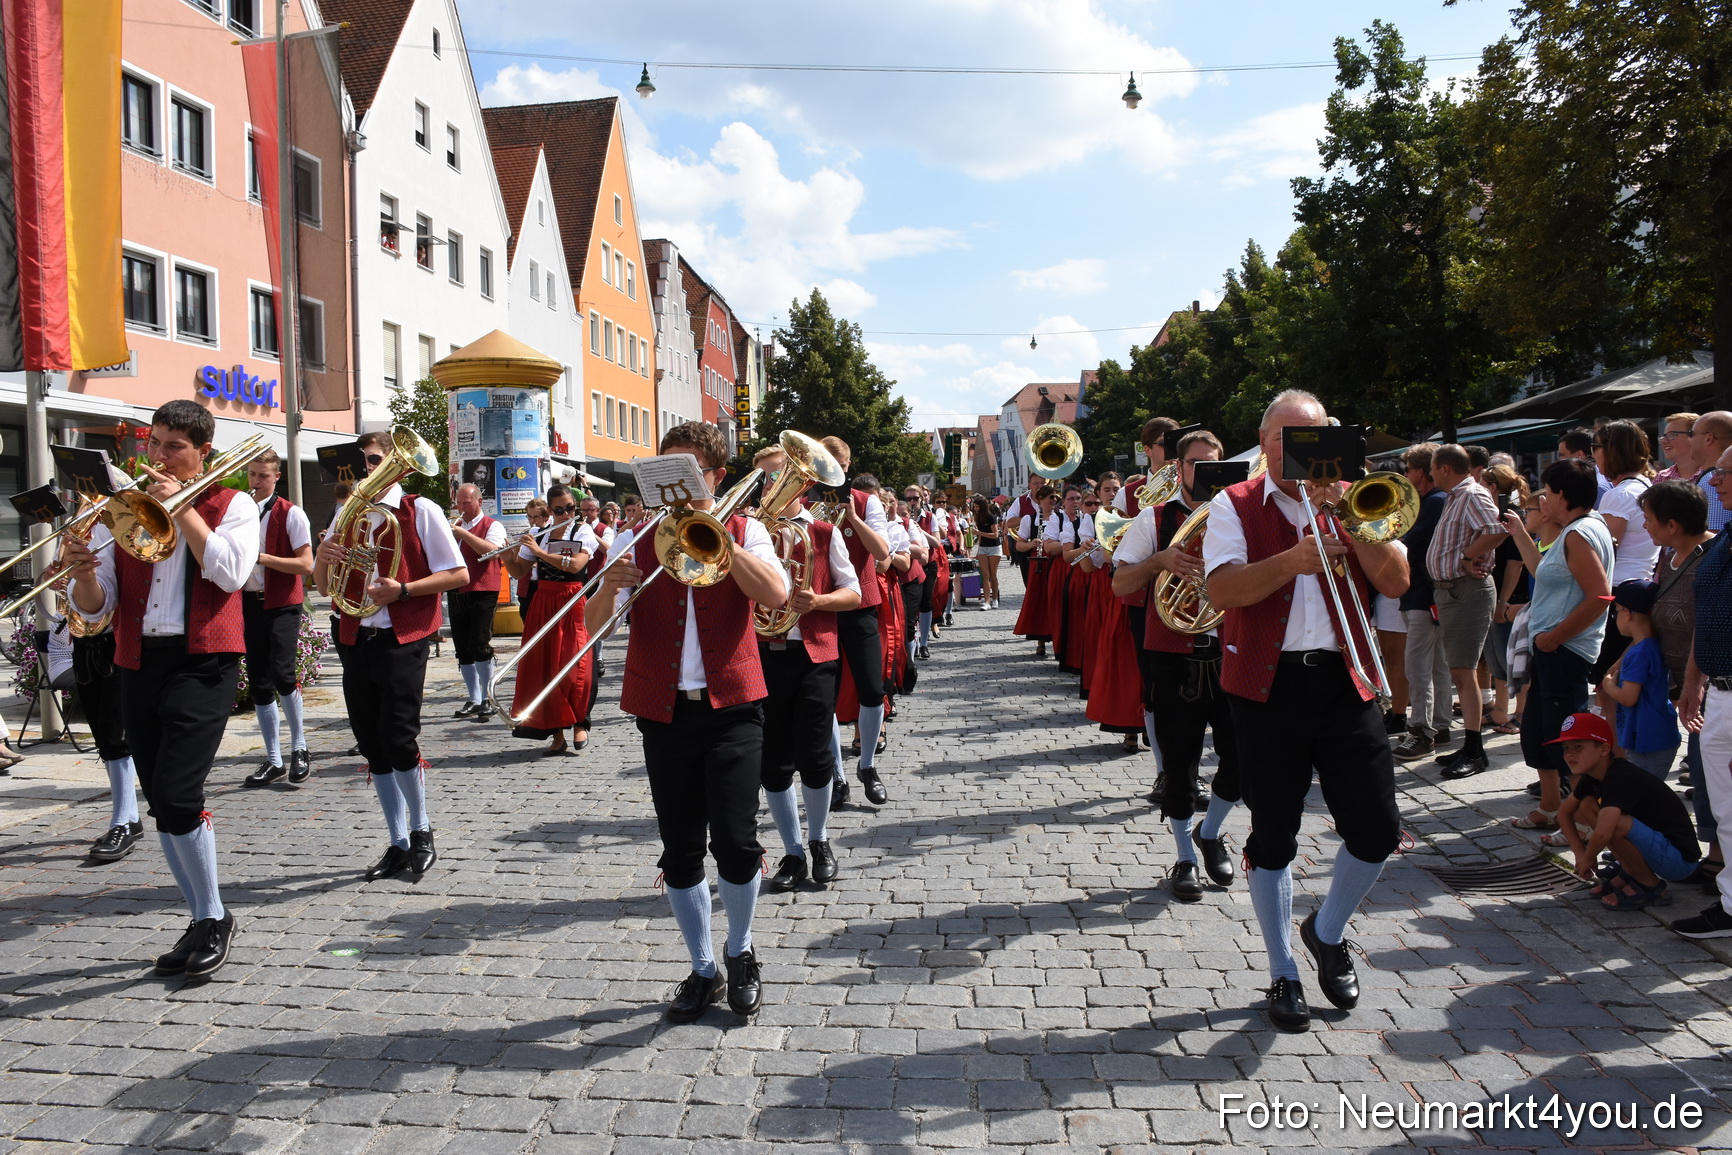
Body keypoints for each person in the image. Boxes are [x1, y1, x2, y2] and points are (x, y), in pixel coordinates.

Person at [1202, 390, 1410, 1033]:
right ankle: (1283, 969)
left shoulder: (1352, 496)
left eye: (1315, 439)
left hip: (1346, 683)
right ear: (1265, 443)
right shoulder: (1232, 505)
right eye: (1290, 438)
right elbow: (1221, 589)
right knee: (1274, 837)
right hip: (1267, 689)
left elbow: (1397, 580)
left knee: (1376, 830)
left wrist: (1343, 515)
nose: (1303, 452)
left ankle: (1327, 930)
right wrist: (1292, 561)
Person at [587, 420, 789, 1022]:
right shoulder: (639, 535)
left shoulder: (748, 528)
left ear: (715, 477)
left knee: (735, 841)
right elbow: (597, 624)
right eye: (663, 469)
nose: (671, 483)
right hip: (665, 710)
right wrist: (612, 584)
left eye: (685, 471)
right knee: (679, 852)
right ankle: (702, 967)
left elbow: (776, 595)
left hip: (734, 707)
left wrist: (721, 539)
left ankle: (741, 951)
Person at [61, 399, 260, 979]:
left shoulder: (234, 503)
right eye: (155, 443)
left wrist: (185, 505)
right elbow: (97, 606)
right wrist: (79, 570)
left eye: (175, 446)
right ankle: (203, 917)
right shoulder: (121, 512)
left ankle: (214, 916)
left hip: (204, 662)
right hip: (139, 660)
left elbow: (229, 573)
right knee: (159, 798)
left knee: (176, 791)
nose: (160, 456)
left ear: (203, 451)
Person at [315, 430, 468, 881]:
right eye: (367, 460)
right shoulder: (348, 510)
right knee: (371, 744)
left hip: (403, 637)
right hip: (354, 635)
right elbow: (325, 588)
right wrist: (323, 557)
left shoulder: (421, 509)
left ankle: (421, 831)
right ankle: (397, 840)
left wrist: (403, 589)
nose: (372, 467)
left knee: (398, 737)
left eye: (380, 458)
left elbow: (457, 573)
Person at [1114, 429, 1244, 899]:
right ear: (1179, 469)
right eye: (1197, 464)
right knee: (1180, 766)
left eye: (1216, 464)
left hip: (1233, 653)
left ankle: (1209, 832)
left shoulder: (1242, 514)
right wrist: (1160, 561)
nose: (1207, 473)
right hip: (1173, 656)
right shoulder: (1154, 518)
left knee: (1242, 762)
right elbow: (1120, 583)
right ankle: (1185, 858)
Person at [756, 446, 861, 893]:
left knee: (816, 757)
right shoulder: (747, 531)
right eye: (765, 479)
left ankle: (819, 841)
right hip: (761, 656)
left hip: (813, 656)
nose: (770, 487)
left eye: (779, 478)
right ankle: (793, 851)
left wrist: (818, 601)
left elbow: (853, 593)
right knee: (772, 764)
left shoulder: (821, 532)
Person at [1500, 458, 1614, 832]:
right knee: (1539, 732)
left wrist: (1554, 637)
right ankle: (1552, 807)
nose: (1543, 500)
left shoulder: (1580, 533)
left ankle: (1583, 822)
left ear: (1562, 495)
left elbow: (1600, 596)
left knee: (1569, 741)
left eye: (1547, 493)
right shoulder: (1576, 530)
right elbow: (1544, 572)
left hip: (1565, 652)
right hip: (1553, 651)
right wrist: (1518, 532)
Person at [1641, 480, 1718, 877]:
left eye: (1649, 520)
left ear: (1672, 524)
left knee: (1711, 774)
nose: (1645, 527)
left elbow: (1705, 626)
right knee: (1703, 771)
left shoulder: (1712, 555)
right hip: (1675, 682)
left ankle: (1719, 857)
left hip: (1706, 682)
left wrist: (1693, 682)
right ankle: (1714, 854)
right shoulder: (1669, 554)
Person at [1553, 712, 1699, 911]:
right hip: (1657, 849)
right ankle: (1630, 872)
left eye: (1578, 747)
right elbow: (1563, 813)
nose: (1569, 754)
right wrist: (1579, 851)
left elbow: (1604, 832)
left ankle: (1650, 885)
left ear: (1604, 749)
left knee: (1616, 822)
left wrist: (1588, 858)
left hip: (1679, 861)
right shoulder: (1592, 774)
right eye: (1566, 748)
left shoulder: (1620, 776)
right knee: (1587, 805)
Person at [1676, 443, 1732, 937]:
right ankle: (1731, 905)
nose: (1713, 481)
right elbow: (1707, 615)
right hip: (1719, 689)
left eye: (1725, 473)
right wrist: (1695, 680)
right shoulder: (1726, 537)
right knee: (1724, 804)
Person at [1426, 444, 1507, 779]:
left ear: (1445, 468)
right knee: (1461, 671)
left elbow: (1497, 529)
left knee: (1463, 671)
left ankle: (1474, 751)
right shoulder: (1458, 495)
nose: (1431, 474)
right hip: (1454, 592)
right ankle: (1470, 744)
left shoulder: (1471, 494)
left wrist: (1467, 556)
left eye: (1433, 468)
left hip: (1465, 591)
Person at [819, 441, 892, 810]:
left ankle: (867, 766)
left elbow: (882, 553)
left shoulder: (867, 501)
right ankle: (837, 774)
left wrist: (853, 518)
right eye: (830, 463)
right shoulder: (804, 499)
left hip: (860, 604)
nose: (838, 470)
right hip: (820, 608)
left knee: (871, 687)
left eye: (843, 464)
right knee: (825, 697)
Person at [240, 450, 315, 788]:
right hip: (248, 602)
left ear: (276, 477)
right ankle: (273, 759)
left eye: (262, 476)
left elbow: (306, 565)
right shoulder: (240, 512)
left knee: (283, 673)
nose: (256, 482)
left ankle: (300, 747)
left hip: (282, 602)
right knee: (258, 680)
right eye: (252, 475)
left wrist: (264, 559)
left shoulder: (291, 513)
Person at [503, 485, 596, 755]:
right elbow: (520, 570)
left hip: (571, 599)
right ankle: (557, 734)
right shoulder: (538, 534)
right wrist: (507, 555)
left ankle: (580, 721)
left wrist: (539, 552)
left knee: (575, 663)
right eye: (560, 510)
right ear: (550, 510)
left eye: (570, 508)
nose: (567, 513)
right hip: (543, 601)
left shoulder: (582, 530)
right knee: (545, 665)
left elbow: (577, 565)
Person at [44, 613, 136, 860]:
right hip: (84, 646)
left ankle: (121, 826)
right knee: (103, 739)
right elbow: (54, 613)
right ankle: (132, 818)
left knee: (116, 737)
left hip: (118, 641)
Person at [1591, 420, 1659, 705]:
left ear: (1611, 451)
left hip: (1617, 595)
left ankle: (1614, 750)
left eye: (1595, 448)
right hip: (1639, 588)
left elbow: (1604, 553)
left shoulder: (1618, 495)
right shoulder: (1645, 486)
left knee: (1607, 690)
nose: (1593, 455)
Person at [1393, 445, 1453, 760]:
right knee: (1436, 665)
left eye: (1408, 470)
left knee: (1417, 666)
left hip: (1422, 595)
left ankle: (1421, 731)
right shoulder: (1432, 501)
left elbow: (1413, 545)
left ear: (1420, 471)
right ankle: (1439, 726)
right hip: (1423, 594)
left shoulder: (1434, 503)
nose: (1405, 475)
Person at [1600, 579, 1679, 780]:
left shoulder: (1639, 654)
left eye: (1615, 611)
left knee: (1642, 797)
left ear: (1628, 614)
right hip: (1653, 737)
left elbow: (1628, 697)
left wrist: (1608, 685)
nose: (1614, 617)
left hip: (1647, 741)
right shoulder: (1650, 646)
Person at [446, 482, 509, 719]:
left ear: (479, 502)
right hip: (456, 589)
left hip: (483, 590)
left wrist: (462, 533)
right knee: (462, 647)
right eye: (459, 503)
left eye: (466, 502)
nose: (462, 507)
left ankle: (487, 697)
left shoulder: (493, 525)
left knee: (479, 643)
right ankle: (473, 698)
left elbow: (489, 551)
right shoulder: (456, 526)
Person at [1485, 465, 1532, 734]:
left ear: (1492, 487)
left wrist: (1503, 602)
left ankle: (1521, 714)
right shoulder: (1496, 514)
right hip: (1499, 596)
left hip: (1511, 597)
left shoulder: (1512, 516)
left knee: (1515, 659)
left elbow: (1516, 564)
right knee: (1497, 659)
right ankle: (1500, 711)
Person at [1113, 417, 1181, 515]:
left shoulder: (1191, 485)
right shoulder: (1125, 494)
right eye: (1164, 443)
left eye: (1176, 442)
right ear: (1147, 450)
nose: (1172, 448)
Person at [1689, 412, 1732, 532]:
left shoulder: (1713, 482)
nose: (1688, 439)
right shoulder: (1710, 477)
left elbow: (1713, 538)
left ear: (1709, 438)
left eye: (1690, 434)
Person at [1557, 428, 1611, 502]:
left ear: (1580, 455)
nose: (1559, 460)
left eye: (1562, 455)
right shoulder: (1594, 480)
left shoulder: (1594, 487)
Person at [972, 495, 1002, 610]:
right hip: (983, 547)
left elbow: (995, 534)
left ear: (982, 506)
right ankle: (987, 602)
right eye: (975, 507)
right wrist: (978, 550)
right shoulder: (977, 517)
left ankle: (994, 599)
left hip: (994, 547)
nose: (976, 509)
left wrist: (979, 533)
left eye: (977, 507)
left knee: (993, 575)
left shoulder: (991, 517)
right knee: (985, 575)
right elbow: (980, 536)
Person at [1654, 413, 1699, 483]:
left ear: (1692, 436)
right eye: (1663, 436)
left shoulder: (1713, 476)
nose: (1663, 441)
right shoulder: (1661, 478)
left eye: (1671, 435)